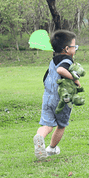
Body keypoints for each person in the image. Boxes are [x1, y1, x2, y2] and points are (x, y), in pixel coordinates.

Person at [33, 30, 81, 161]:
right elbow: (61, 70)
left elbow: (45, 78)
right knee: (61, 125)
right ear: (67, 49)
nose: (75, 49)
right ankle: (52, 148)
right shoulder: (67, 60)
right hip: (61, 99)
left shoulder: (53, 60)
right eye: (74, 46)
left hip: (47, 97)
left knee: (47, 125)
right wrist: (75, 79)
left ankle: (40, 138)